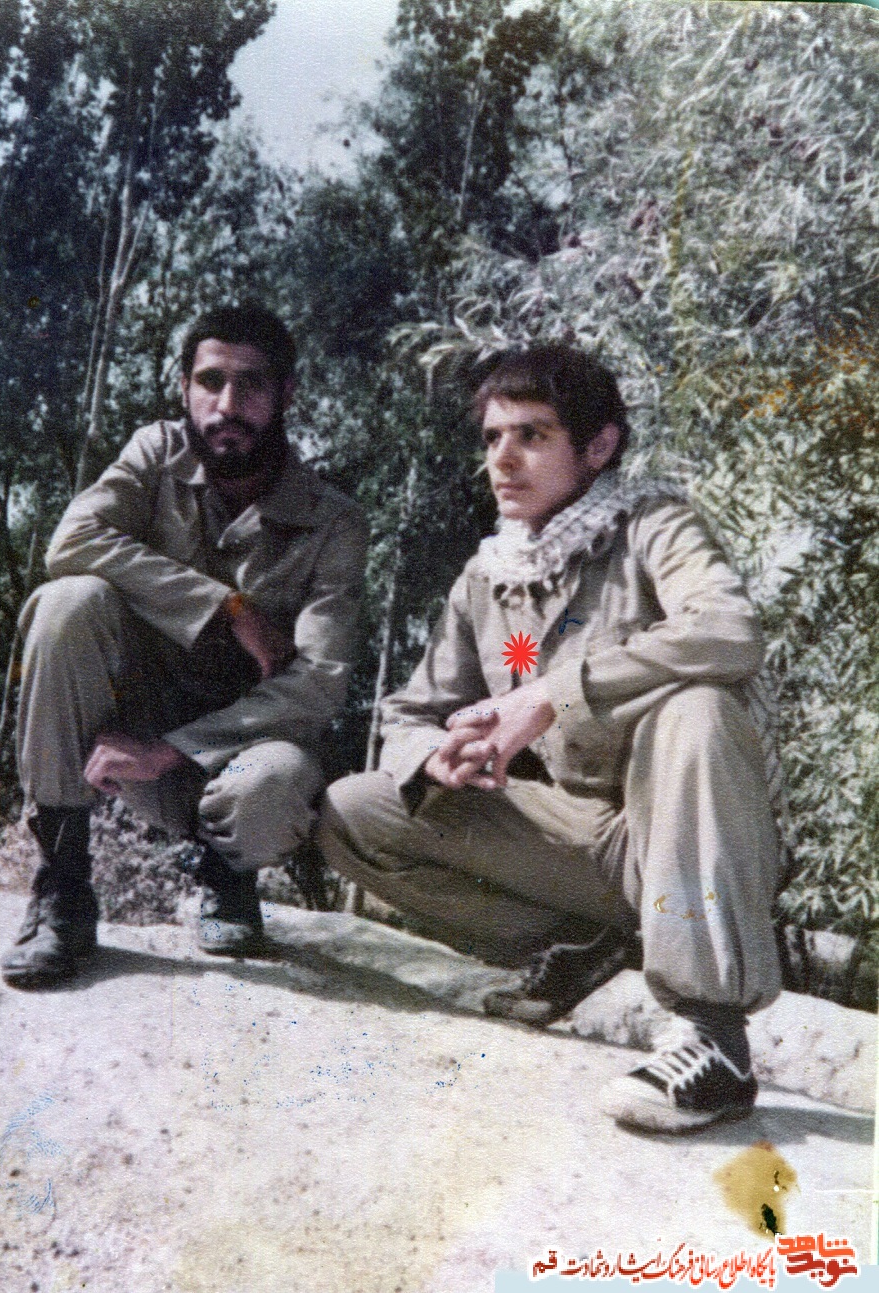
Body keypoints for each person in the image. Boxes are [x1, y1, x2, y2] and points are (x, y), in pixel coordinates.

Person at [318, 343, 782, 1133]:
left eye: (532, 435)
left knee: (696, 707)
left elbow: (731, 629)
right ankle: (580, 945)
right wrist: (436, 755)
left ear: (598, 447)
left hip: (695, 835)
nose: (503, 458)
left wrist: (548, 695)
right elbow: (408, 712)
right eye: (492, 437)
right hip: (590, 842)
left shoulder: (651, 524)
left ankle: (715, 1036)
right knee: (356, 810)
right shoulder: (489, 576)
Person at [2, 302, 368, 988]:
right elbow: (70, 543)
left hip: (232, 757)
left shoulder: (334, 523)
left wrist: (171, 749)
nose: (227, 405)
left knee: (274, 783)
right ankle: (62, 890)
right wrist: (225, 607)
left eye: (251, 384)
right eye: (210, 381)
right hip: (132, 730)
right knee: (67, 602)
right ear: (184, 387)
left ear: (286, 394)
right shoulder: (156, 454)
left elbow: (321, 683)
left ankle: (227, 876)